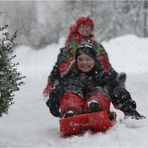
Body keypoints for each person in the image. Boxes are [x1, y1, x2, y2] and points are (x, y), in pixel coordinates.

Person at [46, 43, 145, 120]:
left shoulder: (102, 75)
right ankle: (70, 111)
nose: (84, 63)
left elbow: (117, 90)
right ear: (76, 61)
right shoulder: (70, 77)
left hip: (98, 112)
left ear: (94, 60)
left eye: (88, 59)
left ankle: (95, 106)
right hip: (75, 113)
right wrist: (53, 105)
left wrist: (129, 109)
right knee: (71, 91)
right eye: (80, 59)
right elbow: (57, 91)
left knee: (100, 90)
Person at [43, 16, 126, 97]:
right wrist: (50, 83)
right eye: (82, 26)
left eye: (88, 26)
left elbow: (106, 65)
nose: (85, 29)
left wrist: (114, 76)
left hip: (94, 77)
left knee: (103, 74)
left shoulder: (97, 46)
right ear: (78, 28)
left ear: (91, 29)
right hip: (74, 77)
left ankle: (114, 84)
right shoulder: (70, 46)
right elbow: (59, 65)